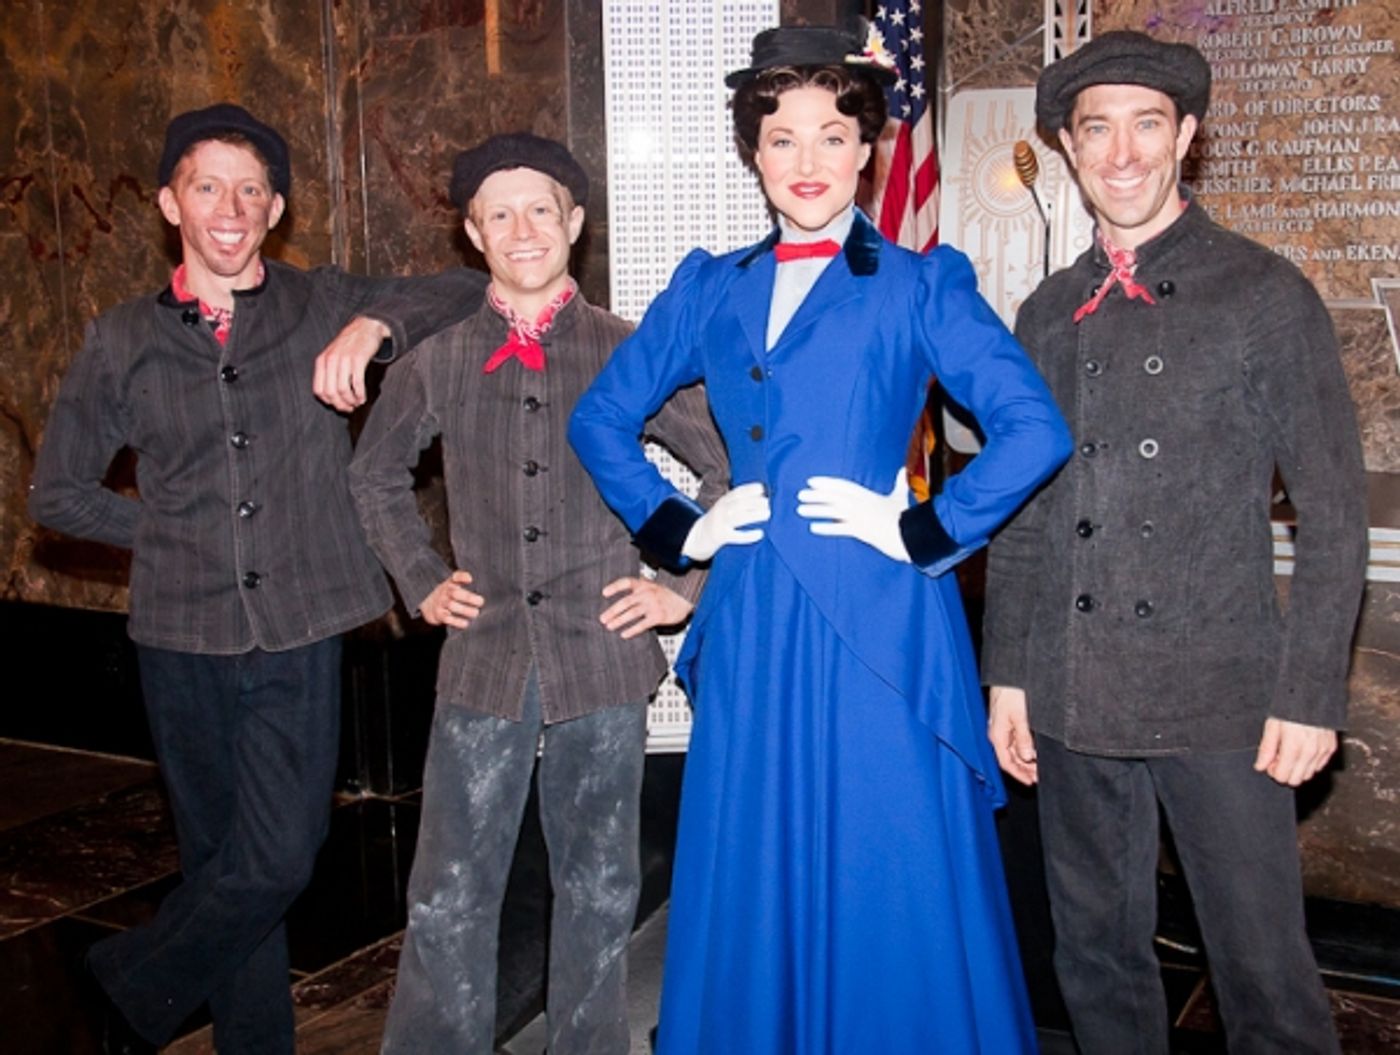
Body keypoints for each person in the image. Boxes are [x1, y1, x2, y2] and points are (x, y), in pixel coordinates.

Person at [568, 23, 1073, 1054]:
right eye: (782, 138)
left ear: (867, 149)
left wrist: (920, 525)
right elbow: (597, 418)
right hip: (754, 608)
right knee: (760, 847)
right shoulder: (708, 283)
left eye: (832, 135)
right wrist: (685, 525)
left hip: (881, 608)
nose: (807, 162)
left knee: (888, 849)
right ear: (752, 152)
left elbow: (1035, 430)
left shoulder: (919, 281)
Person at [27, 103, 487, 1055]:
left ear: (274, 209)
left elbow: (463, 288)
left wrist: (373, 321)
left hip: (301, 623)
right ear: (169, 202)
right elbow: (59, 491)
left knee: (279, 854)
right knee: (219, 862)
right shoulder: (121, 339)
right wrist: (160, 532)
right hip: (177, 634)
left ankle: (128, 976)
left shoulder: (317, 300)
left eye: (250, 191)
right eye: (207, 187)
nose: (229, 209)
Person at [981, 31, 1366, 1055]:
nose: (1120, 152)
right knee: (1096, 957)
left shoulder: (1260, 292)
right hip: (1067, 691)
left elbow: (1331, 511)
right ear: (1065, 145)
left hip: (1221, 695)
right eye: (1095, 127)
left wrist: (1306, 690)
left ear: (1184, 136)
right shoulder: (1045, 309)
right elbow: (1024, 510)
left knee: (1262, 974)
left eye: (1145, 124)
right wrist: (1007, 675)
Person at [347, 133, 728, 1055]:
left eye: (542, 210)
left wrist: (684, 583)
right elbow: (374, 473)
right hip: (481, 663)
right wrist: (424, 579)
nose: (523, 230)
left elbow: (726, 470)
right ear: (473, 231)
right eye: (500, 214)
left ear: (577, 224)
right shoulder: (438, 359)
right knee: (447, 886)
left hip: (600, 660)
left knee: (599, 882)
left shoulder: (631, 349)